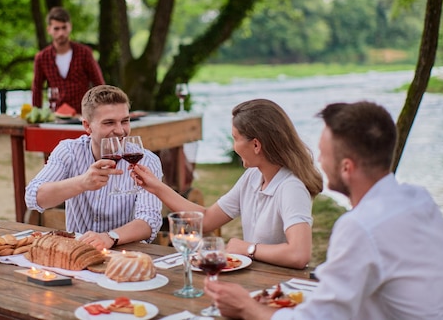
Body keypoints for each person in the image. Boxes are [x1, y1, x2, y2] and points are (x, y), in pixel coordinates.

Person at [205, 101, 443, 320]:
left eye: (324, 153)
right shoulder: (418, 199)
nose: (318, 160)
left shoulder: (360, 226)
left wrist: (246, 307)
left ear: (346, 167)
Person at [132, 99, 323, 269]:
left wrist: (248, 248)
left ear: (256, 145)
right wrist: (156, 187)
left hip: (281, 287)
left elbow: (299, 254)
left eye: (236, 138)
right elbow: (206, 220)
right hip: (256, 278)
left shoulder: (291, 187)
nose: (234, 146)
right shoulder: (253, 177)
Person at [25, 84, 163, 250]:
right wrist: (82, 183)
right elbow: (33, 197)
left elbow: (150, 220)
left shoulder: (147, 161)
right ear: (87, 126)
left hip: (126, 254)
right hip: (76, 251)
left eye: (125, 121)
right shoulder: (69, 151)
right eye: (109, 123)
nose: (120, 131)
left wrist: (110, 237)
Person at [31, 6, 105, 114]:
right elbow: (37, 89)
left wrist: (103, 112)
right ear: (49, 30)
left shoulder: (84, 53)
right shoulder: (42, 58)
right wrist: (36, 115)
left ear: (70, 27)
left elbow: (99, 84)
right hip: (57, 115)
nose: (61, 33)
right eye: (56, 28)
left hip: (83, 114)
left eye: (64, 28)